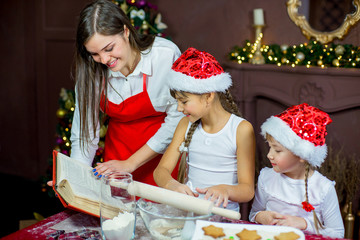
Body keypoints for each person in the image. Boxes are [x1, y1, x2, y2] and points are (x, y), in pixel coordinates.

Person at [50, 0, 183, 186]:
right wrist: (75, 180)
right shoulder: (91, 71)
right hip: (117, 160)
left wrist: (131, 163)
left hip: (164, 161)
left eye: (109, 48)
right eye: (94, 54)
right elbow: (84, 135)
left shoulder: (165, 55)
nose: (104, 60)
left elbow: (177, 120)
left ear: (126, 31)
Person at [153, 47, 256, 211]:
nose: (179, 108)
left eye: (184, 101)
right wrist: (170, 183)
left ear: (209, 95)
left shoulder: (240, 129)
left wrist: (226, 189)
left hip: (222, 217)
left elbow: (247, 190)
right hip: (189, 212)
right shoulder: (184, 125)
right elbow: (160, 171)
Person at [249, 103, 344, 238]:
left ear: (302, 155)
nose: (269, 155)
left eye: (277, 150)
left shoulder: (323, 188)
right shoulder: (266, 177)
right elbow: (254, 214)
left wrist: (305, 224)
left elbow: (338, 234)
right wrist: (260, 216)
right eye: (269, 147)